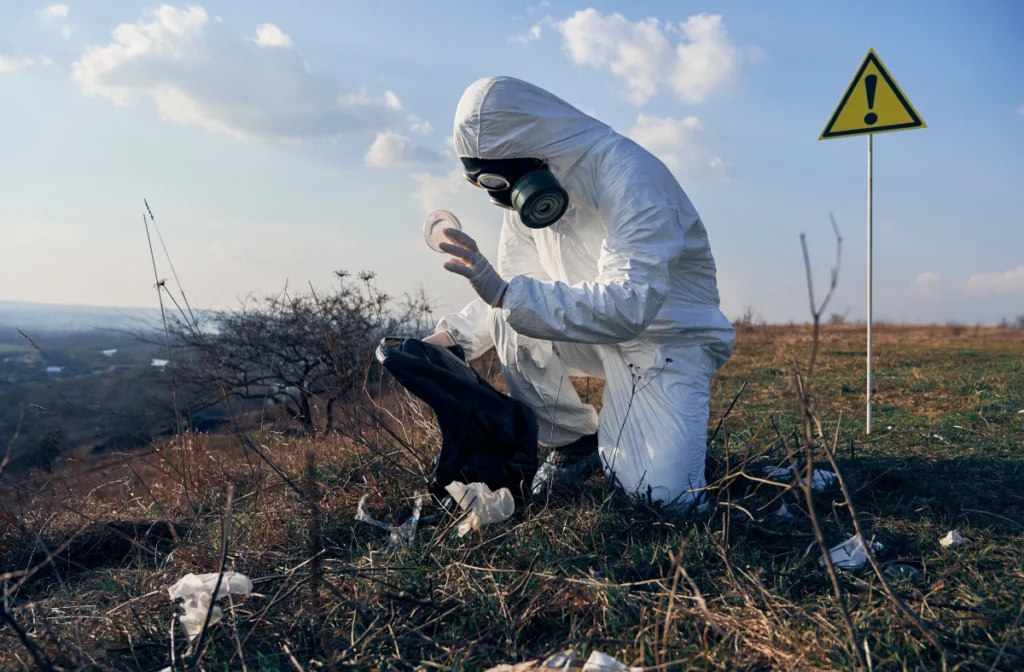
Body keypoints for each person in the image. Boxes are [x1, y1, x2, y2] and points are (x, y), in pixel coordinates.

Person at [424, 76, 735, 509]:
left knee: (663, 501)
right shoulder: (525, 195)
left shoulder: (632, 176)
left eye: (502, 182)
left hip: (665, 344)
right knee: (511, 317)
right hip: (592, 333)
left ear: (538, 146)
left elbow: (629, 305)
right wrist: (451, 339)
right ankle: (574, 441)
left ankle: (650, 447)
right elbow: (511, 291)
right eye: (489, 187)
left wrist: (506, 295)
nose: (505, 200)